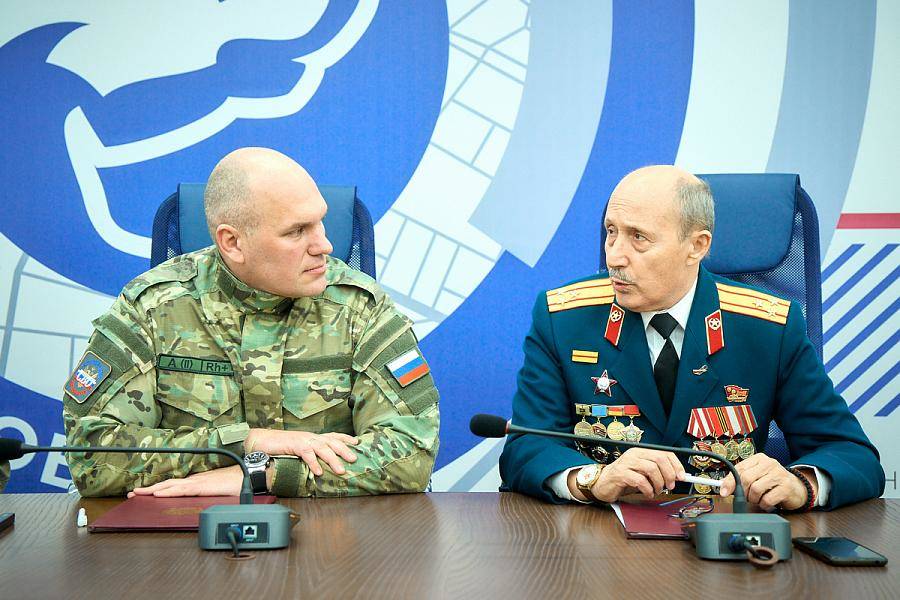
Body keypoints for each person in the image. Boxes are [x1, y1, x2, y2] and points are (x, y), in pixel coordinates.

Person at [499, 165, 883, 511]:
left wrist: (801, 485)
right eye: (612, 232)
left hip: (723, 541)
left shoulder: (769, 327)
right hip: (601, 541)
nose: (615, 256)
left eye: (639, 238)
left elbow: (851, 454)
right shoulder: (563, 318)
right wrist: (592, 480)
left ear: (697, 246)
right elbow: (526, 447)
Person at [63, 147, 439, 498]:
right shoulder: (151, 308)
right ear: (232, 242)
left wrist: (263, 474)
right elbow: (90, 455)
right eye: (297, 231)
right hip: (182, 535)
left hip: (329, 536)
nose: (323, 245)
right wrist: (242, 443)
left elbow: (412, 453)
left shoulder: (360, 308)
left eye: (320, 222)